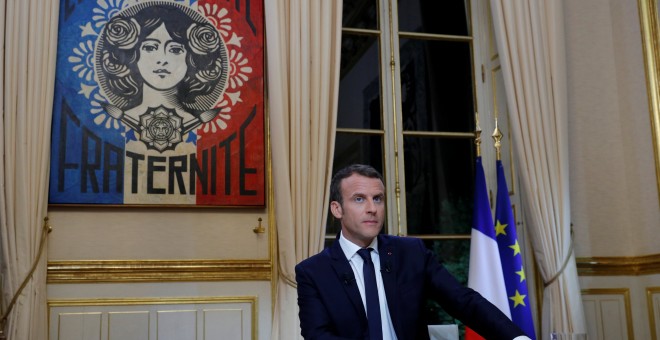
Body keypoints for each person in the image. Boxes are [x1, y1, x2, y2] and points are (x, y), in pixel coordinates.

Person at [295, 164, 532, 340]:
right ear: (337, 209)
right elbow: (318, 336)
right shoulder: (313, 272)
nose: (372, 209)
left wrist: (516, 338)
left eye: (378, 199)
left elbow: (465, 302)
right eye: (359, 199)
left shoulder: (411, 253)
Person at [95, 3, 228, 148]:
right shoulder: (124, 116)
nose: (163, 60)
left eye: (176, 49)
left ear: (191, 60)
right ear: (133, 55)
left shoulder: (195, 119)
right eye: (150, 47)